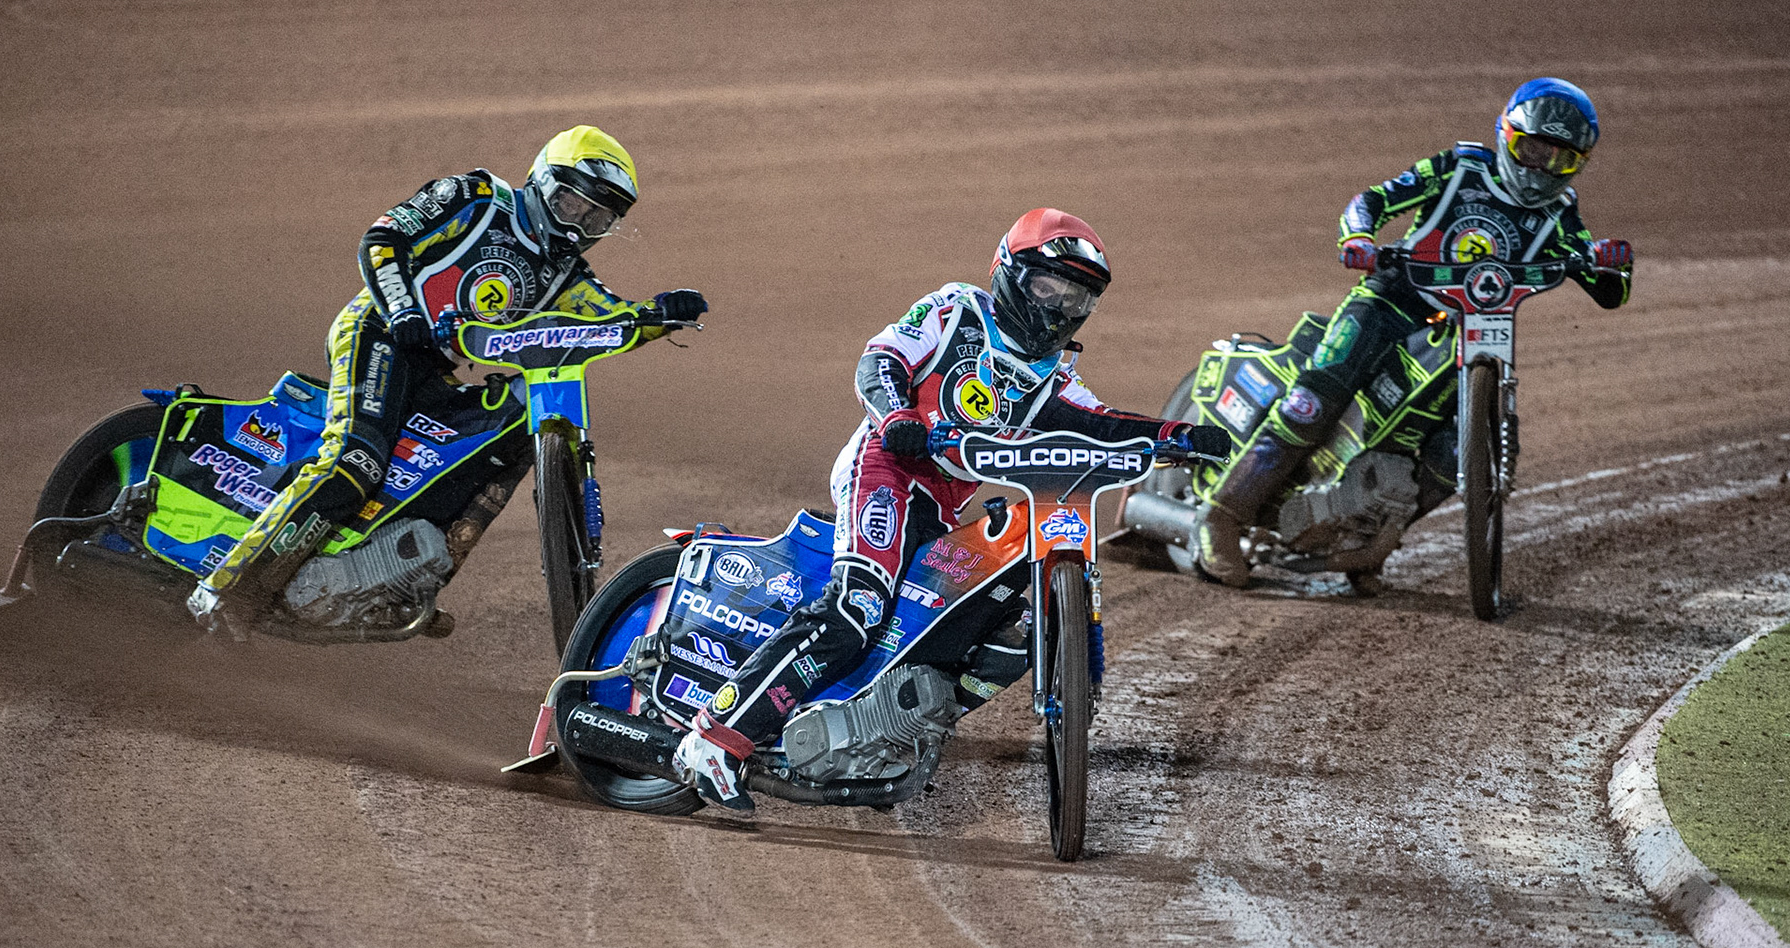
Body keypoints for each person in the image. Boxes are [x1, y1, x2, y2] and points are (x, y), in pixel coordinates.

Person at [671, 208, 1228, 814]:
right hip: (887, 469)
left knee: (1001, 625)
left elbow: (1105, 424)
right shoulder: (957, 311)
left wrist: (1179, 435)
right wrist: (897, 415)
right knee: (856, 609)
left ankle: (888, 728)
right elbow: (879, 361)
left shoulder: (1055, 378)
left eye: (1077, 297)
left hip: (941, 503)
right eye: (1049, 286)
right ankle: (714, 739)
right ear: (1011, 273)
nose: (1060, 307)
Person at [186, 125, 709, 634]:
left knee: (505, 437)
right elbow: (384, 237)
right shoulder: (479, 197)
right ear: (544, 181)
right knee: (356, 459)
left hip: (435, 366)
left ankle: (402, 577)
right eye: (575, 204)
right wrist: (402, 312)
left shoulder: (568, 277)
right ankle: (228, 589)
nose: (578, 227)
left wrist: (659, 314)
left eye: (598, 218)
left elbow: (606, 320)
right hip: (380, 331)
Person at [1193, 77, 1636, 587]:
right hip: (1391, 299)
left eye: (1559, 159)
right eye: (1530, 148)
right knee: (1313, 403)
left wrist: (1611, 264)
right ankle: (1221, 518)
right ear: (1505, 135)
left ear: (1578, 163)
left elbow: (1607, 291)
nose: (1539, 168)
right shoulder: (1459, 168)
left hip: (1475, 329)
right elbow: (1375, 200)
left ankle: (1364, 544)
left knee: (1458, 451)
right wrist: (1358, 236)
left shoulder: (1561, 213)